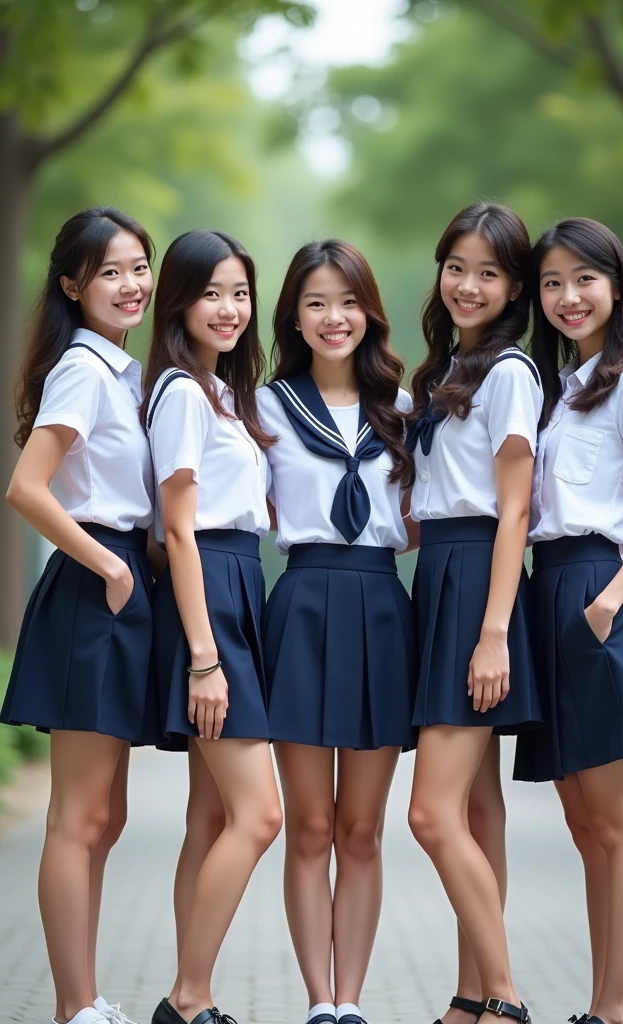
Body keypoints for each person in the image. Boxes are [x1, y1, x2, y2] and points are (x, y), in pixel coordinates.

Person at [514, 218, 623, 1024]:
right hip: (550, 593)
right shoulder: (560, 391)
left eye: (584, 280)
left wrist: (609, 602)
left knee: (618, 821)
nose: (568, 297)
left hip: (597, 591)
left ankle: (616, 1011)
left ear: (616, 286)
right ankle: (600, 1004)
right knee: (583, 823)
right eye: (552, 283)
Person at [1, 206, 158, 1024]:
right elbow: (26, 487)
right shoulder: (84, 371)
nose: (130, 285)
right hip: (96, 589)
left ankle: (85, 997)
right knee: (78, 815)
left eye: (138, 267)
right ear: (72, 285)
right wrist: (107, 565)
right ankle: (74, 1006)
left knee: (107, 814)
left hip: (121, 588)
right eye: (109, 272)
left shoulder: (127, 374)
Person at [257, 239, 416, 1024]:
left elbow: (420, 521)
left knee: (361, 828)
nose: (334, 317)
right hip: (303, 605)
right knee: (310, 824)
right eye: (316, 302)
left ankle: (351, 999)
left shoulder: (405, 409)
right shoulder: (264, 407)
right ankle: (317, 1001)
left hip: (381, 606)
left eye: (348, 301)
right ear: (294, 314)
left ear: (369, 311)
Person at [141, 230, 283, 1024]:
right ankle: (186, 997)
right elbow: (179, 528)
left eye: (240, 293)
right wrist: (204, 656)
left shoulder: (221, 392)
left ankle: (192, 1000)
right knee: (259, 814)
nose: (229, 309)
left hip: (236, 589)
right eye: (211, 294)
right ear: (180, 303)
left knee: (211, 815)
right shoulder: (182, 395)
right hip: (210, 603)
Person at [406, 202, 541, 1024]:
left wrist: (493, 633)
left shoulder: (511, 374)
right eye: (458, 266)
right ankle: (471, 995)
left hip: (478, 582)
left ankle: (507, 996)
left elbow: (514, 512)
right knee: (473, 809)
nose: (468, 283)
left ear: (514, 287)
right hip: (440, 577)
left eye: (489, 272)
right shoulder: (442, 373)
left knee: (428, 813)